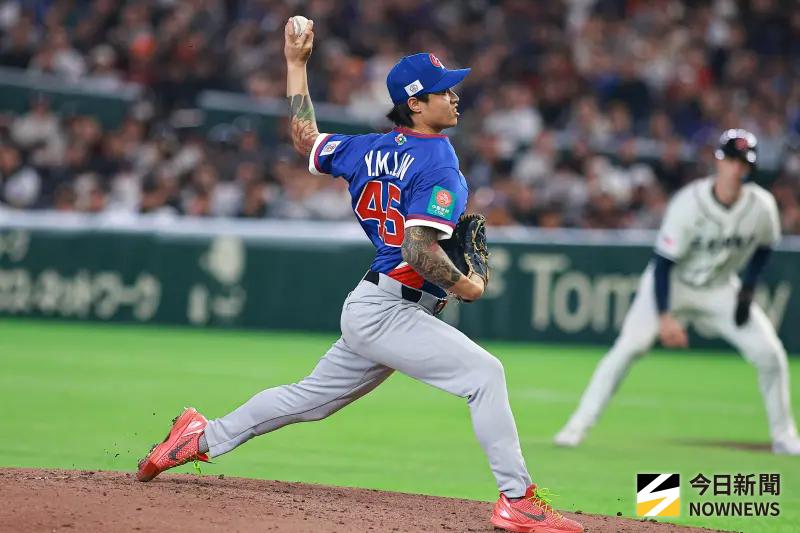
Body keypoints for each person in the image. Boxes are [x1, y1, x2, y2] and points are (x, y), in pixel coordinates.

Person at [135, 18, 583, 533]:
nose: (455, 97)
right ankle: (517, 499)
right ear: (416, 104)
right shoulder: (439, 161)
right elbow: (418, 249)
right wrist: (468, 286)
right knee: (485, 376)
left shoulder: (366, 147)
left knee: (309, 399)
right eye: (444, 91)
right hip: (391, 310)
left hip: (374, 306)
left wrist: (296, 65)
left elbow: (305, 139)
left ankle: (200, 436)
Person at [554, 129, 800, 455]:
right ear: (718, 161)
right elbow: (664, 264)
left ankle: (784, 437)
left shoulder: (761, 206)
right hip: (672, 284)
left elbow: (765, 248)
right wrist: (665, 316)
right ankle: (576, 426)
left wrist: (747, 290)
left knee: (770, 354)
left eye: (743, 162)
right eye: (731, 160)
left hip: (720, 289)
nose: (736, 168)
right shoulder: (689, 203)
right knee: (628, 348)